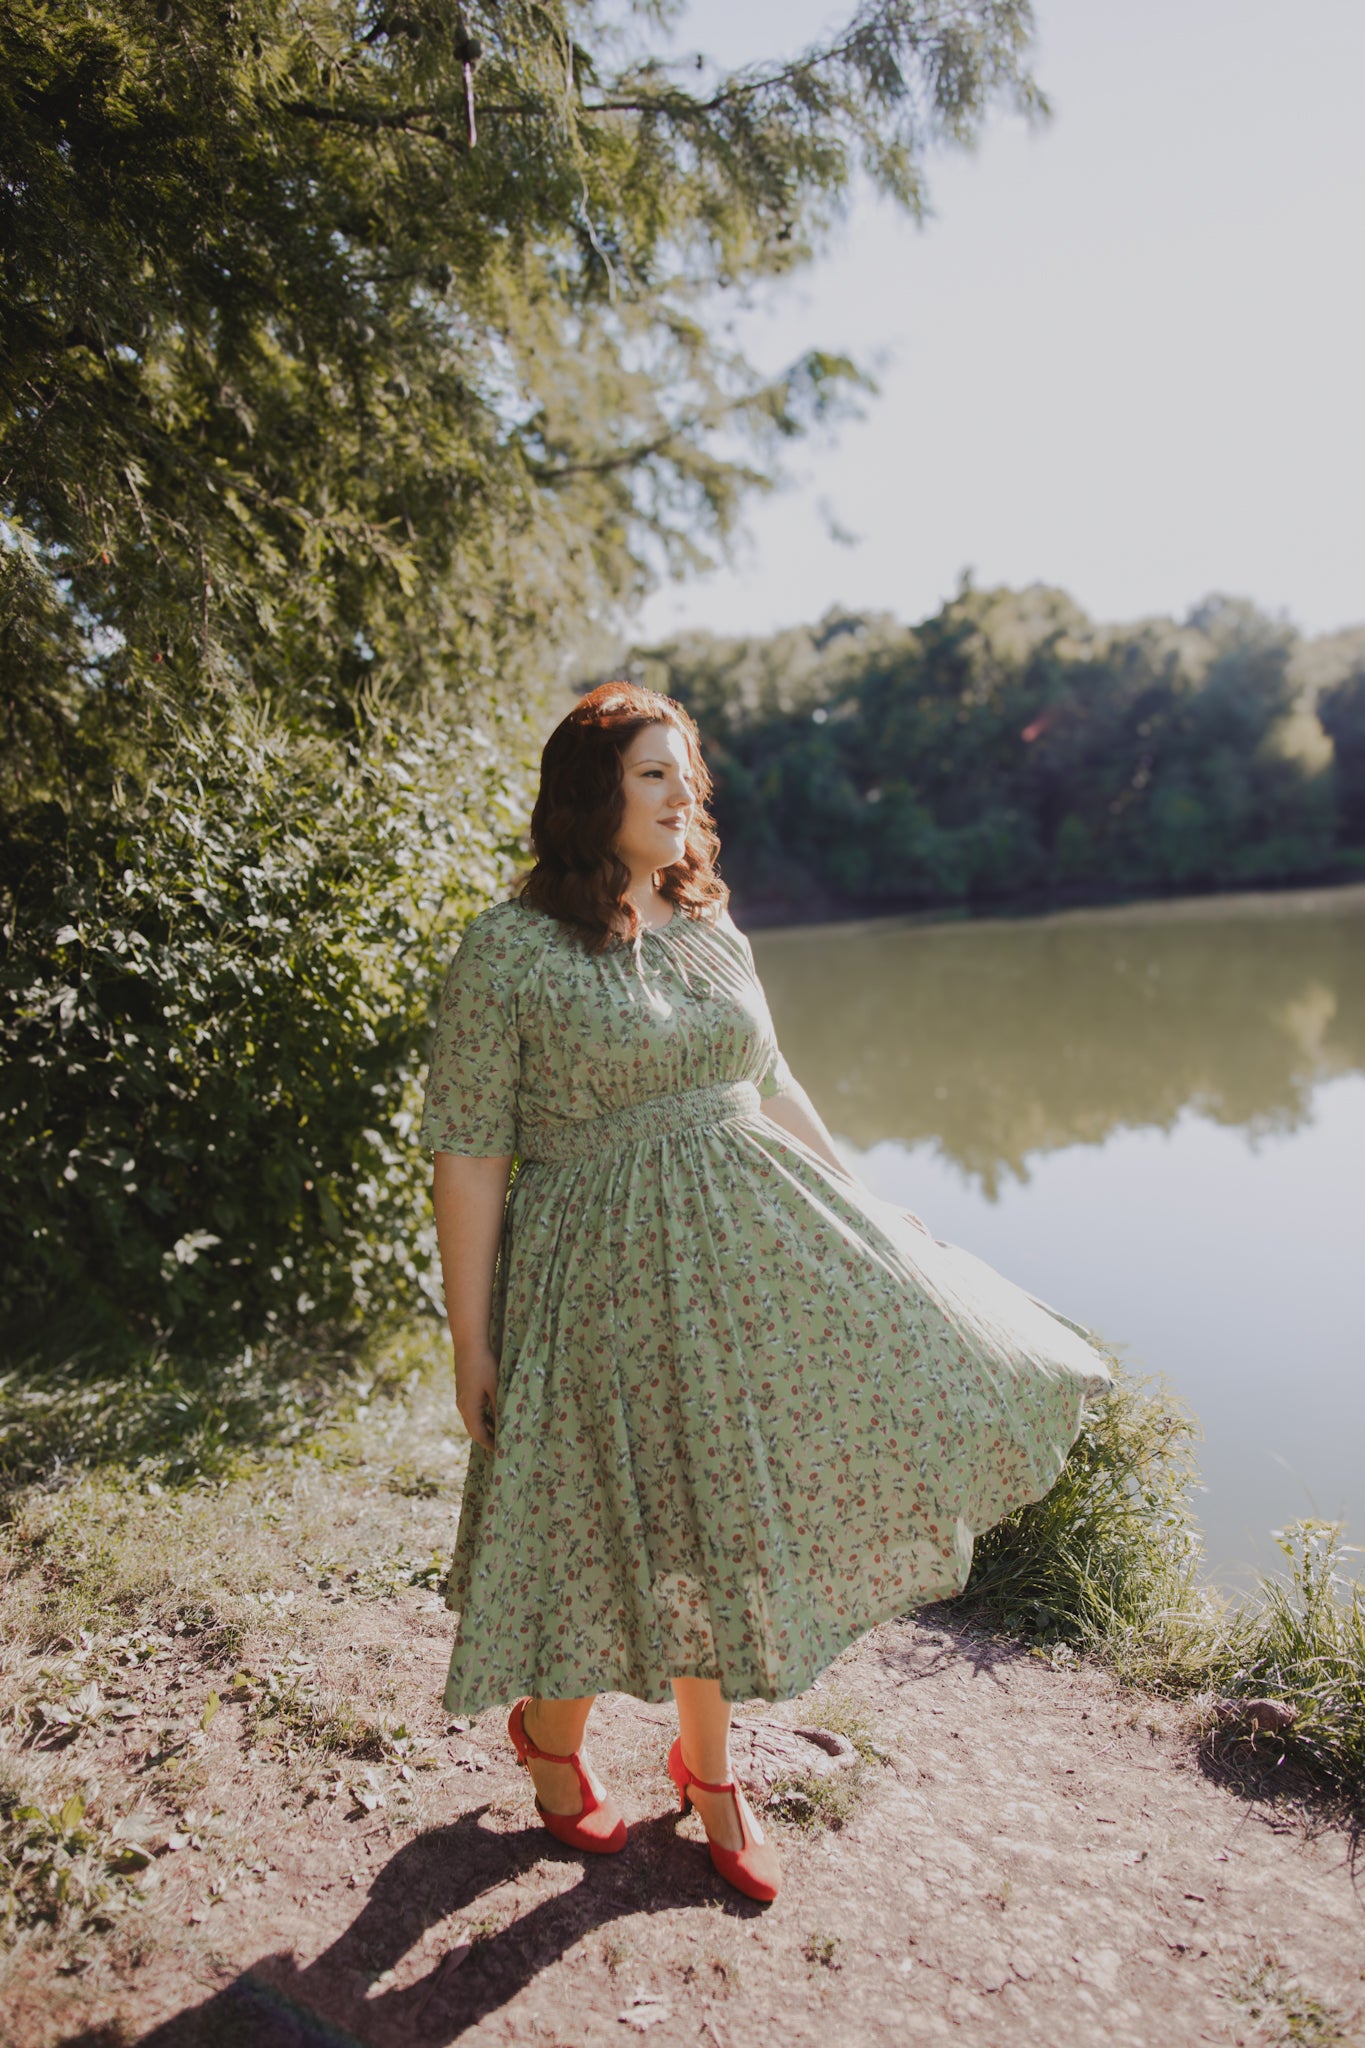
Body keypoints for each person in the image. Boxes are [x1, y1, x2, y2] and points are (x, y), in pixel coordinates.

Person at [422, 682, 1114, 1905]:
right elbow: (472, 1154)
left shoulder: (711, 923)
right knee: (601, 1515)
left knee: (727, 1516)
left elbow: (769, 1072)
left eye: (688, 773)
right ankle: (552, 1733)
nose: (684, 793)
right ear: (590, 795)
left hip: (746, 1257)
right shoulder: (508, 950)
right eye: (652, 774)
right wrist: (471, 1337)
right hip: (599, 1278)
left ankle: (710, 1770)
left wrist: (862, 1198)